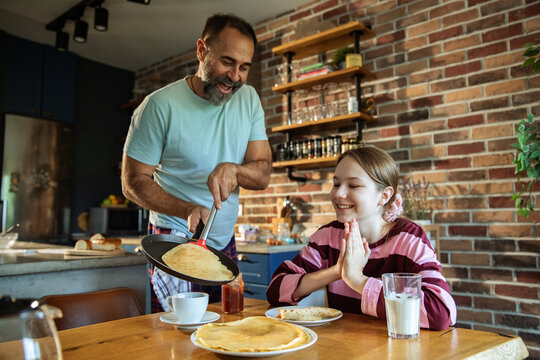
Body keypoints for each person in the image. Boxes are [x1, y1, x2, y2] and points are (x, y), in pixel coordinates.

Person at [122, 13, 272, 312]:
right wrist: (186, 208)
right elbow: (133, 182)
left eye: (244, 67)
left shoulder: (249, 100)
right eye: (227, 62)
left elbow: (262, 173)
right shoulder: (158, 106)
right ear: (202, 50)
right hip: (173, 239)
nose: (235, 76)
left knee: (225, 329)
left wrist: (235, 170)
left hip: (224, 241)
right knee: (174, 337)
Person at [266, 145, 456, 330]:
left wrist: (356, 279)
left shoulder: (409, 239)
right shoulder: (326, 237)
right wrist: (337, 271)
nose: (338, 193)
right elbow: (275, 289)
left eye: (354, 185)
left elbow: (440, 312)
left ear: (384, 196)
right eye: (336, 184)